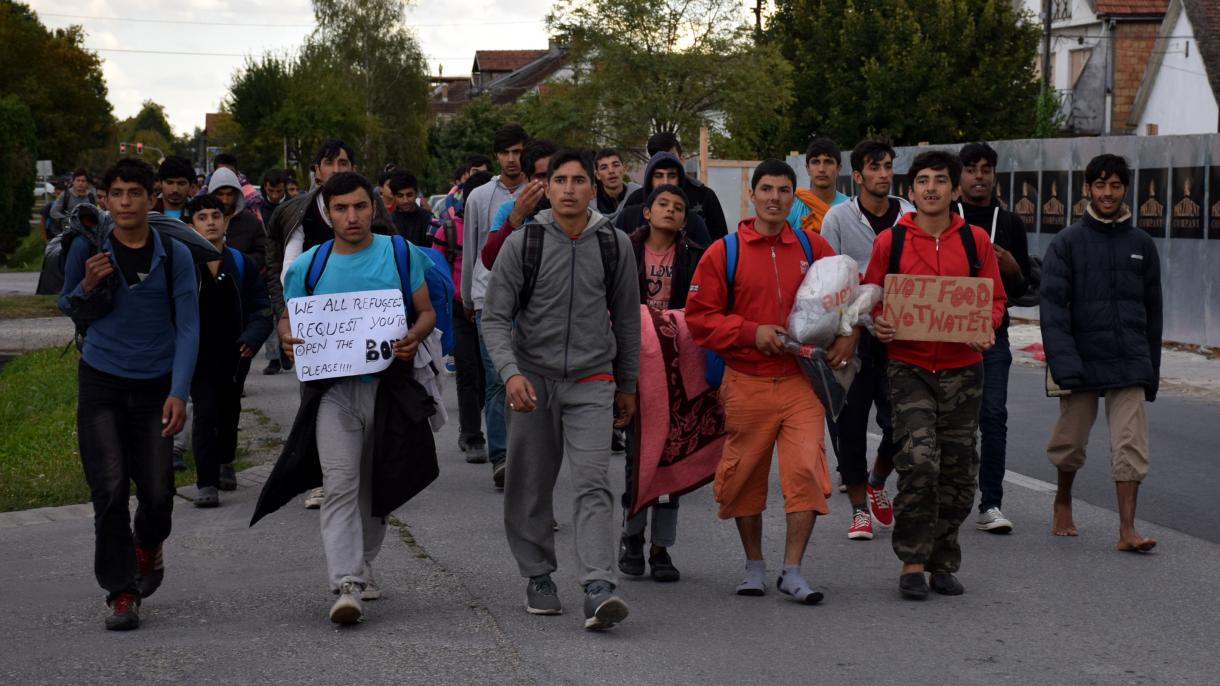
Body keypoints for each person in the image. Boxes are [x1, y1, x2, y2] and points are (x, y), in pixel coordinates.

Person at [482, 149, 640, 631]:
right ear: (546, 189)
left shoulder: (614, 244)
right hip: (533, 380)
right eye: (560, 181)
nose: (569, 188)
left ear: (594, 188)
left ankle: (597, 586)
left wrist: (627, 384)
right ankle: (538, 574)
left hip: (593, 379)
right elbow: (493, 319)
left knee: (593, 482)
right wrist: (511, 373)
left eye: (578, 180)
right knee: (530, 483)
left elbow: (629, 321)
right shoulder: (522, 243)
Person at [278, 171, 437, 624]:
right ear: (327, 214)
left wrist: (412, 335)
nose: (353, 217)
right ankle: (346, 583)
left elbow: (425, 311)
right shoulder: (308, 265)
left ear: (373, 207)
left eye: (360, 206)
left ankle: (363, 563)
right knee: (341, 483)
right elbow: (289, 321)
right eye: (342, 209)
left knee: (377, 486)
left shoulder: (401, 254)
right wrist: (288, 338)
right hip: (334, 394)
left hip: (389, 392)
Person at [686, 159, 843, 605]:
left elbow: (845, 300)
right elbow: (701, 319)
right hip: (746, 380)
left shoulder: (816, 249)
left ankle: (793, 570)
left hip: (801, 384)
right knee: (745, 478)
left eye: (784, 191)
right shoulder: (725, 251)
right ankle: (754, 565)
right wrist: (749, 332)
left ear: (794, 198)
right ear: (752, 195)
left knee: (805, 473)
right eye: (767, 189)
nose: (775, 198)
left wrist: (849, 335)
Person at [57, 158, 200, 630]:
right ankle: (121, 591)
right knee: (110, 490)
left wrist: (179, 391)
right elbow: (67, 304)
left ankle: (149, 545)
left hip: (157, 384)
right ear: (105, 199)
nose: (124, 202)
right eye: (115, 193)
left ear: (151, 195)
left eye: (134, 193)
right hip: (101, 379)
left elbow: (189, 326)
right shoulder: (87, 247)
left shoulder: (174, 254)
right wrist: (89, 282)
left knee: (158, 493)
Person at [863, 150, 1006, 600]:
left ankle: (944, 560)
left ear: (955, 189)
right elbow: (871, 299)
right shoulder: (892, 241)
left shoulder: (975, 241)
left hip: (964, 369)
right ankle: (912, 560)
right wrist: (879, 321)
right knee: (920, 462)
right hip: (910, 367)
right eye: (922, 180)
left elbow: (996, 300)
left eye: (940, 180)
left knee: (959, 472)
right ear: (911, 191)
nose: (931, 188)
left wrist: (988, 324)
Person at [1041, 154, 1162, 552]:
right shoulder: (1067, 243)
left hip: (1129, 361)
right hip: (1081, 359)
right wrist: (1065, 364)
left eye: (1115, 186)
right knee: (1070, 442)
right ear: (1088, 189)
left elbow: (1153, 310)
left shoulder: (1141, 244)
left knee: (1130, 443)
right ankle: (1063, 500)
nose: (1107, 193)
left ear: (1125, 189)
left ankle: (1127, 529)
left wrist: (1151, 369)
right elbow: (1053, 311)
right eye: (1100, 185)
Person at [266, 139, 395, 509]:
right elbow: (277, 264)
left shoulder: (371, 206)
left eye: (344, 162)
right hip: (317, 328)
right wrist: (282, 317)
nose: (337, 169)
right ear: (316, 170)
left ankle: (372, 473)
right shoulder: (294, 211)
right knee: (316, 401)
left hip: (366, 323)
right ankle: (324, 477)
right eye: (330, 163)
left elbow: (392, 249)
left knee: (373, 401)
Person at [819, 139, 914, 539]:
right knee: (850, 425)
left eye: (888, 167)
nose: (883, 174)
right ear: (857, 176)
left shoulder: (910, 215)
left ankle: (877, 481)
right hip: (852, 338)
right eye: (874, 168)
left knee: (903, 422)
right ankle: (859, 508)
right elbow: (829, 284)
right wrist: (845, 334)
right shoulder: (838, 219)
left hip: (903, 335)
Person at [617, 183, 706, 582]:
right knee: (639, 457)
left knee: (672, 459)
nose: (670, 211)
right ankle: (632, 536)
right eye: (662, 204)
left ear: (685, 219)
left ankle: (661, 548)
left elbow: (703, 311)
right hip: (637, 367)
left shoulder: (696, 258)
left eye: (678, 207)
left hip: (679, 370)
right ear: (647, 213)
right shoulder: (624, 252)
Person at [955, 142, 1033, 534]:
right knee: (950, 421)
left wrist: (1013, 269)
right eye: (971, 169)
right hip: (945, 337)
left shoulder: (1010, 223)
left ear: (994, 175)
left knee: (993, 417)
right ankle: (946, 496)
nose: (979, 176)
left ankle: (991, 503)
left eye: (986, 169)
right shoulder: (942, 217)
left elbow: (1024, 289)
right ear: (960, 176)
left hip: (992, 336)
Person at [181, 194, 272, 506]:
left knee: (229, 409)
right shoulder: (184, 265)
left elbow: (262, 307)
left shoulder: (242, 263)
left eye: (215, 216)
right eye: (202, 217)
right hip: (198, 355)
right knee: (205, 413)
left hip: (236, 354)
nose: (210, 222)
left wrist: (253, 336)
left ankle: (225, 461)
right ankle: (206, 482)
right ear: (191, 225)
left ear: (225, 221)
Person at [462, 124, 530, 489]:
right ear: (496, 156)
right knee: (496, 380)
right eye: (505, 152)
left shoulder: (538, 192)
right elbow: (472, 249)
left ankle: (527, 454)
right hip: (487, 297)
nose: (512, 159)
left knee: (528, 377)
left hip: (531, 300)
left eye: (518, 151)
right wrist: (466, 295)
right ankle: (501, 457)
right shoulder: (478, 198)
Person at [432, 171, 494, 463]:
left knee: (489, 377)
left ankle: (498, 435)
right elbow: (436, 272)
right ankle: (471, 435)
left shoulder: (501, 225)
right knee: (468, 372)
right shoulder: (449, 230)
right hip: (459, 308)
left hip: (493, 308)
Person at [622, 131, 729, 240]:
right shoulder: (635, 202)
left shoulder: (704, 196)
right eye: (659, 174)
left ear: (682, 159)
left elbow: (720, 244)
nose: (665, 181)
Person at [479, 139, 559, 267]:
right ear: (526, 179)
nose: (549, 183)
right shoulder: (508, 211)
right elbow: (490, 260)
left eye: (555, 176)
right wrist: (516, 217)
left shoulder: (571, 209)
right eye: (541, 176)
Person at [614, 152, 711, 247]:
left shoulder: (694, 221)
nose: (665, 182)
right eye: (658, 176)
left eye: (672, 176)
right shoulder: (628, 216)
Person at [208, 166, 267, 271]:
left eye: (229, 194)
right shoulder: (201, 221)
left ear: (237, 195)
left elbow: (262, 253)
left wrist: (240, 263)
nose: (225, 200)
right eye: (220, 194)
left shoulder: (251, 222)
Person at [789, 137, 849, 233]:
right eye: (815, 162)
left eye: (828, 162)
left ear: (838, 169)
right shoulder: (792, 205)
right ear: (807, 169)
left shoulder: (850, 208)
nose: (821, 169)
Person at [388, 170, 437, 247]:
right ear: (394, 196)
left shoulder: (428, 219)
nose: (405, 200)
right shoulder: (388, 222)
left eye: (409, 195)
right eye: (400, 196)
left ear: (416, 194)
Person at [594, 148, 641, 224]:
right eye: (604, 167)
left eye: (616, 165)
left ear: (624, 168)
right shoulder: (589, 204)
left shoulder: (639, 195)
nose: (611, 171)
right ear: (597, 175)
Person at [50, 169, 97, 234]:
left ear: (87, 183)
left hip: (88, 232)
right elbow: (53, 212)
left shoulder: (91, 196)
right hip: (69, 232)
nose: (80, 183)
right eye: (78, 180)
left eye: (83, 181)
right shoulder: (66, 195)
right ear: (73, 182)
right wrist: (67, 219)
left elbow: (95, 213)